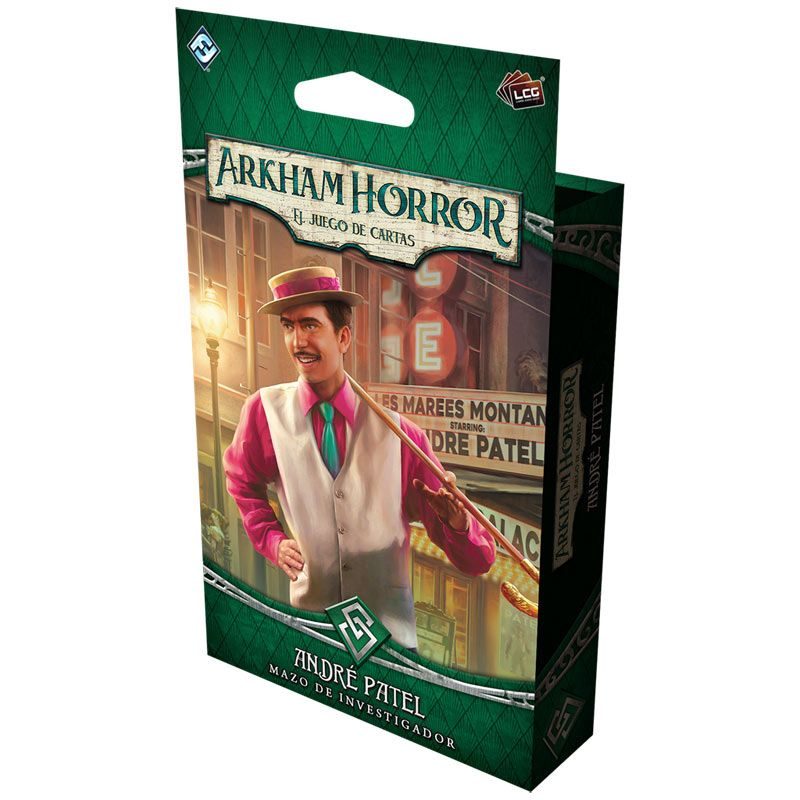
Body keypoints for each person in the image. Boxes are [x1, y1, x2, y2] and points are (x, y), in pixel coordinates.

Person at [223, 265, 495, 649]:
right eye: (288, 326)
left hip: (391, 644)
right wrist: (271, 539)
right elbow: (242, 482)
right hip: (313, 635)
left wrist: (458, 523)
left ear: (343, 337)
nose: (297, 342)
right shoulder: (263, 413)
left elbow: (478, 561)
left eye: (310, 325)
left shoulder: (402, 437)